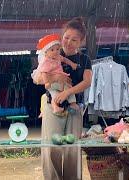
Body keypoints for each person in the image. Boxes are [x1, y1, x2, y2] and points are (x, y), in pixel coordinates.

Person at [41, 17, 92, 180]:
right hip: (52, 105)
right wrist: (57, 79)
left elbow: (87, 81)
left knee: (72, 148)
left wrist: (67, 93)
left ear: (81, 42)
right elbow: (39, 78)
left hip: (74, 108)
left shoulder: (85, 59)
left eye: (74, 39)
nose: (68, 42)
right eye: (66, 37)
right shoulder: (52, 52)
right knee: (52, 147)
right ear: (62, 36)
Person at [32, 33, 79, 115]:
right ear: (46, 53)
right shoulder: (46, 61)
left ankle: (72, 104)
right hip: (51, 82)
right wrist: (47, 82)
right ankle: (55, 106)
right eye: (52, 50)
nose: (55, 52)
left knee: (68, 89)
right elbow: (44, 73)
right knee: (55, 94)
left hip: (61, 79)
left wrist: (72, 64)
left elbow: (64, 59)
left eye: (57, 49)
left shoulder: (57, 57)